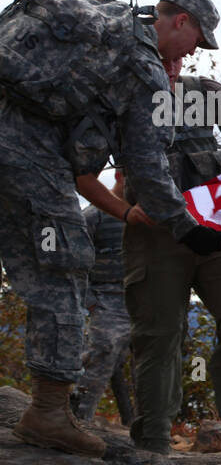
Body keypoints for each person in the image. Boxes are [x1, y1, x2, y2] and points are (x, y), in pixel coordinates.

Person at [0, 0, 221, 458]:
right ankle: (48, 413)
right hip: (25, 153)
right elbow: (146, 164)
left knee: (41, 260)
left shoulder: (100, 28)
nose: (191, 54)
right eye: (196, 41)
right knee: (63, 264)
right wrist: (186, 225)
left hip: (11, 134)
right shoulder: (139, 63)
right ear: (180, 21)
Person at [119, 0, 221, 458]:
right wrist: (124, 211)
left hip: (214, 231)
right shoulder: (126, 95)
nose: (181, 59)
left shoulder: (203, 93)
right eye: (179, 51)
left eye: (186, 55)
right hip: (156, 237)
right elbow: (90, 171)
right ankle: (155, 441)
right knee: (160, 334)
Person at [70, 170, 137, 423]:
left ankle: (146, 428)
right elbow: (75, 263)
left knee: (153, 360)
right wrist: (91, 302)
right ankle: (79, 417)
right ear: (120, 175)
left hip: (144, 298)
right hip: (107, 298)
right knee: (102, 352)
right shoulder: (94, 215)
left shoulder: (149, 215)